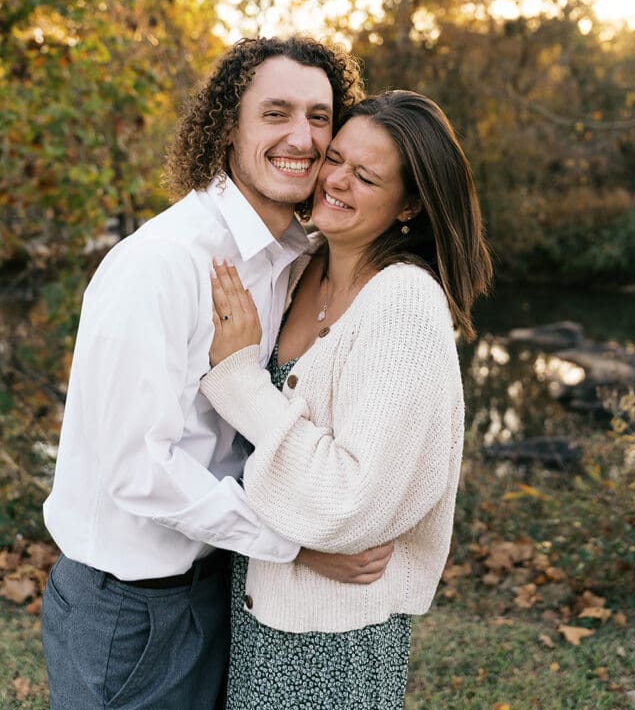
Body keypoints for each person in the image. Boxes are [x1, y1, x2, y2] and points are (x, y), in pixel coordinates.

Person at [41, 36, 394, 710]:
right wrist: (293, 545)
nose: (302, 136)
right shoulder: (163, 264)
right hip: (130, 610)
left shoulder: (291, 257)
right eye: (276, 113)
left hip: (216, 584)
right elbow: (138, 470)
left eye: (319, 117)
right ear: (228, 127)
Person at [200, 89, 493, 710]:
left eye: (365, 176)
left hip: (331, 639)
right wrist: (288, 544)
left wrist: (239, 380)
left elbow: (353, 503)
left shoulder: (404, 305)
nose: (334, 180)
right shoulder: (303, 266)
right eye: (335, 158)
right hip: (257, 601)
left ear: (410, 204)